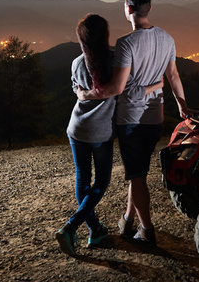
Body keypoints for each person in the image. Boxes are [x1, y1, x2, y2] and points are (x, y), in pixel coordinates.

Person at [76, 0, 190, 247]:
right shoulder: (167, 38)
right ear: (149, 8)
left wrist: (87, 95)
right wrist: (183, 106)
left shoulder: (126, 43)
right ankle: (127, 220)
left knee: (136, 174)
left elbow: (117, 88)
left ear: (128, 9)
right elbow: (173, 76)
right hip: (155, 118)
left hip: (131, 120)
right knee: (136, 171)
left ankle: (147, 230)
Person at [55, 13, 161, 254]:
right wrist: (158, 84)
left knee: (82, 179)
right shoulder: (115, 61)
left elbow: (77, 90)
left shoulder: (76, 62)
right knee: (101, 181)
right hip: (100, 133)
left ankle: (96, 230)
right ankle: (71, 227)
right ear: (106, 36)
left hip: (76, 127)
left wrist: (86, 93)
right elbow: (132, 91)